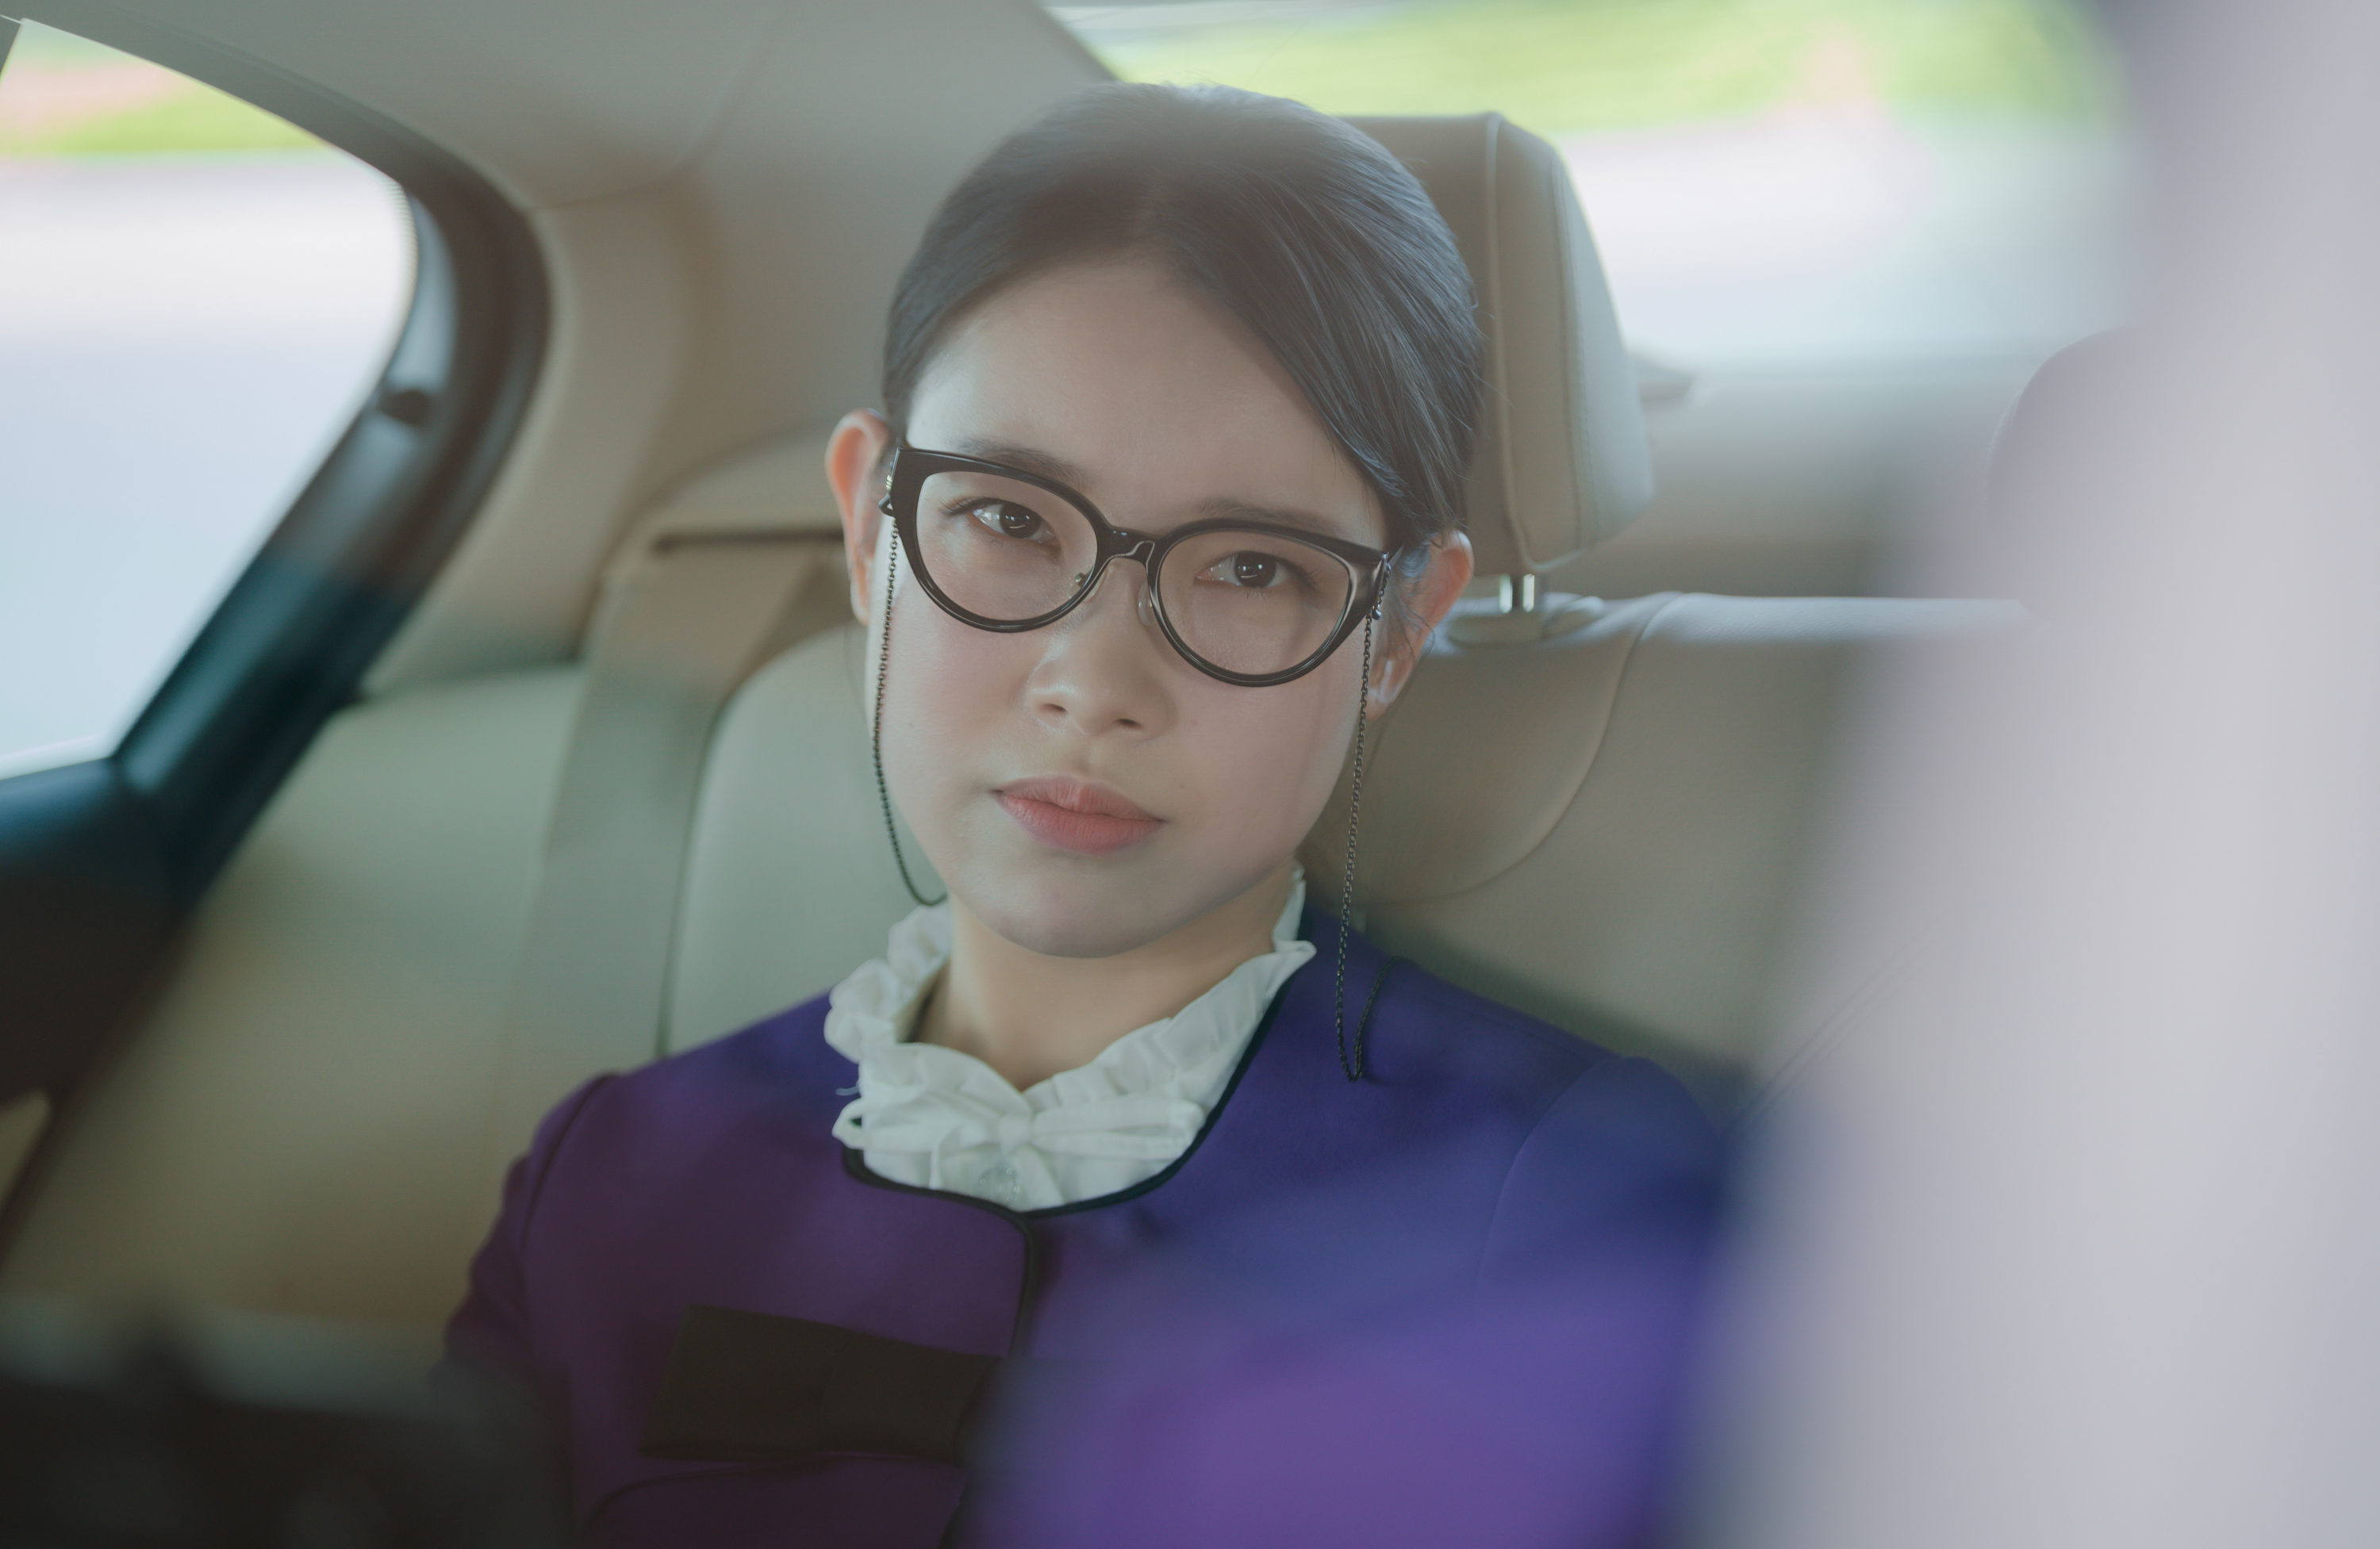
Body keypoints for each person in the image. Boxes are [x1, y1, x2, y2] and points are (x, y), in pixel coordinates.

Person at [445, 82, 1719, 1547]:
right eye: (1005, 520)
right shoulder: (610, 1175)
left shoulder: (1574, 1206)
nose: (1095, 684)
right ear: (870, 527)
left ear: (1397, 630)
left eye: (1251, 568)